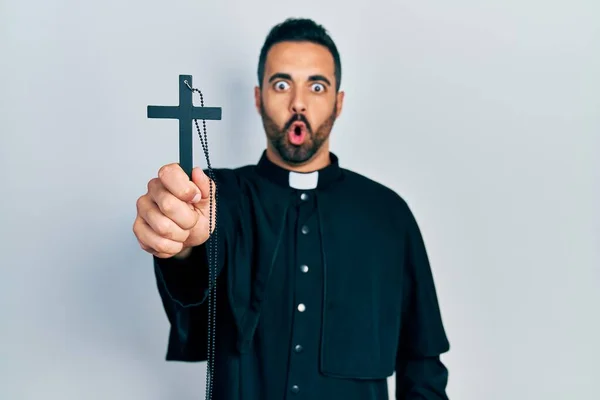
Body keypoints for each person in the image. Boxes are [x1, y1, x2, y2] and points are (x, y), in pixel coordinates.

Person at [133, 17, 450, 400]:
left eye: (317, 86)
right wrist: (181, 244)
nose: (298, 102)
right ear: (257, 97)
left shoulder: (388, 215)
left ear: (339, 101)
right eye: (281, 84)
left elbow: (423, 365)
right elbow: (194, 288)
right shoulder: (215, 197)